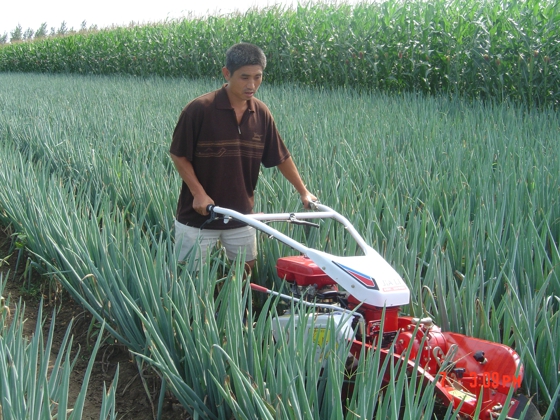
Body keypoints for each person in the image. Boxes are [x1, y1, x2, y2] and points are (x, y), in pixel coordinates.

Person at [170, 42, 316, 271]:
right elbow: (178, 155)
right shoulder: (199, 110)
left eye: (258, 77)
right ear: (226, 73)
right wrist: (199, 194)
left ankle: (235, 297)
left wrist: (303, 191)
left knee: (245, 270)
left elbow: (280, 157)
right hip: (198, 215)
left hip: (242, 214)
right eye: (244, 77)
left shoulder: (261, 113)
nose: (252, 85)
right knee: (191, 275)